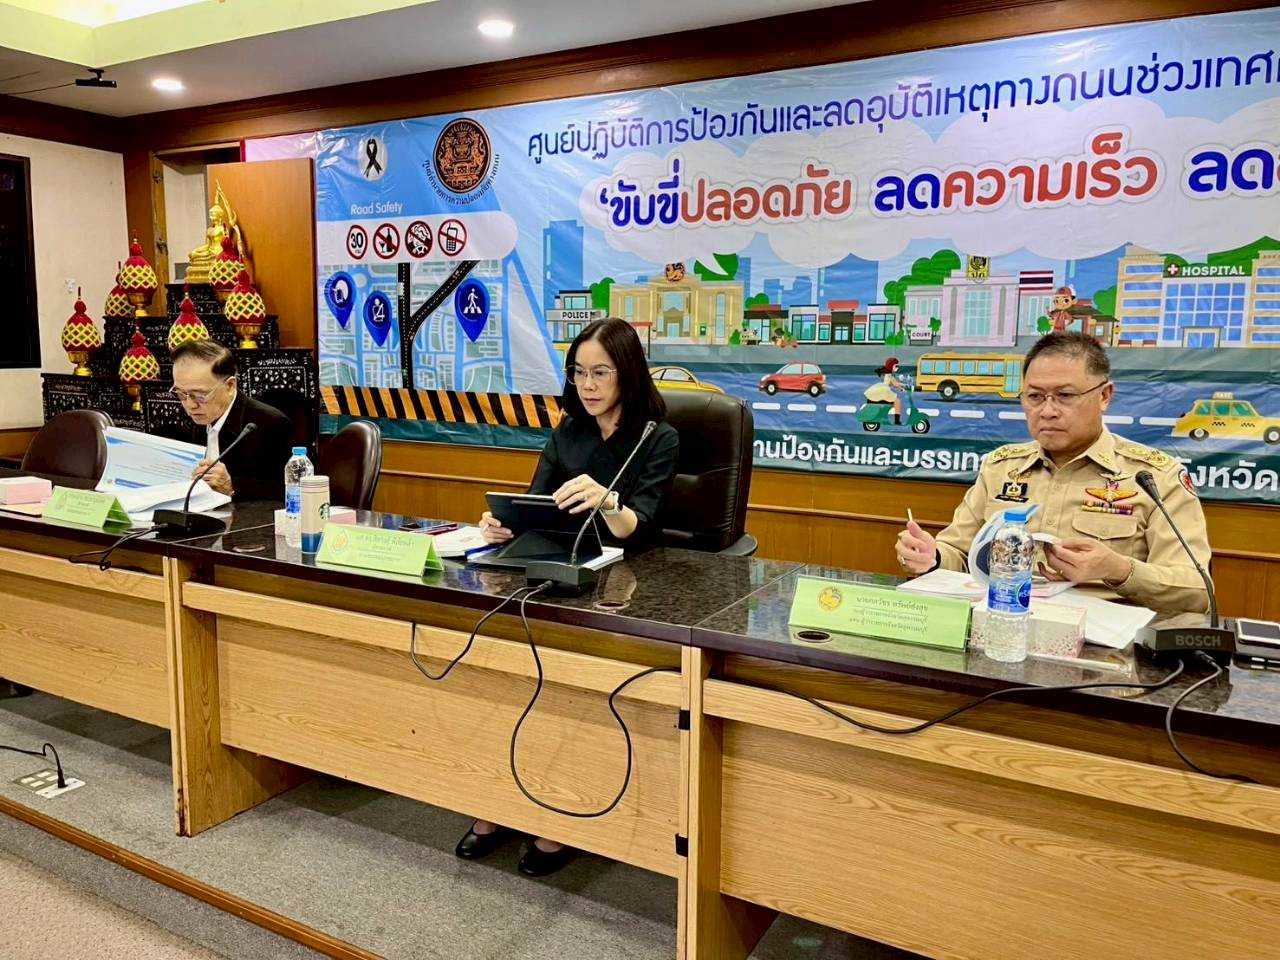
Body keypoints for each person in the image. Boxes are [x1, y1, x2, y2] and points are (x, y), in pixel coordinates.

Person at [460, 317, 679, 877]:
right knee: (507, 672)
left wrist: (608, 500)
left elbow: (642, 525)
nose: (587, 384)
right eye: (579, 372)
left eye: (600, 372)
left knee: (572, 688)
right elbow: (535, 502)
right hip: (560, 571)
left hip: (625, 580)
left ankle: (563, 811)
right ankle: (502, 796)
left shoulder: (656, 436)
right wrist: (502, 524)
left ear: (627, 372)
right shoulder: (568, 430)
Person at [895, 331, 1211, 615]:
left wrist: (1118, 570)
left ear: (1104, 396)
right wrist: (931, 557)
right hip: (1002, 625)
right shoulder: (1001, 468)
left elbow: (1197, 592)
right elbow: (958, 552)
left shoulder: (1155, 477)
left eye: (1065, 396)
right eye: (1035, 397)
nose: (1047, 411)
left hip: (1105, 645)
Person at [170, 339, 294, 501]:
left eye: (199, 395)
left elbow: (291, 491)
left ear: (230, 386)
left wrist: (232, 486)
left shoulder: (270, 424)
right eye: (180, 393)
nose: (190, 405)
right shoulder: (182, 419)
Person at [863, 357, 905, 424]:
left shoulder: (888, 374)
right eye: (896, 366)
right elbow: (896, 384)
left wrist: (901, 388)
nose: (897, 368)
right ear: (891, 366)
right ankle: (897, 421)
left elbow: (895, 383)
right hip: (884, 391)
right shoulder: (889, 374)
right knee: (897, 401)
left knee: (892, 402)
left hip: (882, 390)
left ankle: (886, 417)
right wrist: (904, 386)